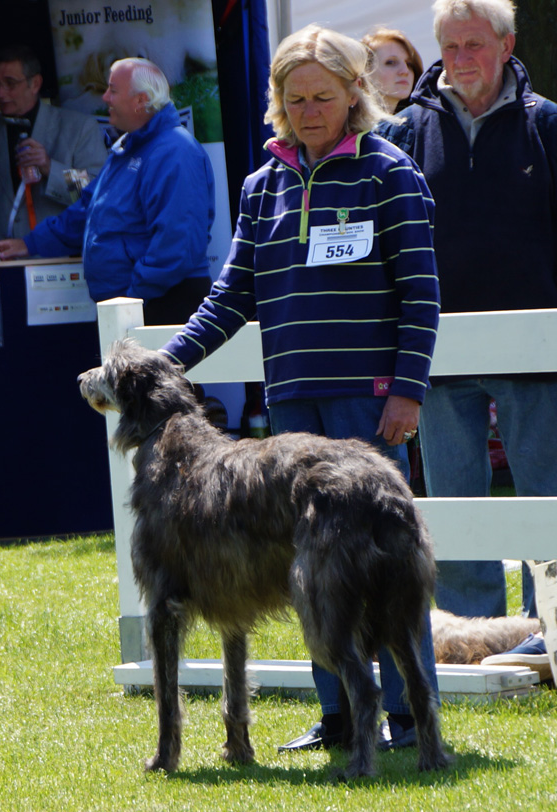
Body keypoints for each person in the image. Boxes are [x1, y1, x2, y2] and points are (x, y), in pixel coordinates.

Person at [158, 24, 441, 751]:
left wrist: (406, 390)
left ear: (355, 94)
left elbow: (420, 296)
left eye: (324, 95)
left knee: (385, 567)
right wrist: (171, 361)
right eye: (295, 97)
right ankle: (342, 717)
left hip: (370, 402)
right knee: (310, 572)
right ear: (278, 102)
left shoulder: (389, 173)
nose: (310, 109)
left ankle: (412, 718)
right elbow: (231, 296)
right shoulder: (263, 186)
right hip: (293, 408)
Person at [378, 0, 557, 619]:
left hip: (535, 348)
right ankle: (470, 633)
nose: (460, 60)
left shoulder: (548, 125)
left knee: (546, 500)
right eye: (449, 47)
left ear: (506, 46)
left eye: (474, 45)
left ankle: (547, 629)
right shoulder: (403, 133)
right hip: (438, 348)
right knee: (450, 503)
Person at [0, 58, 215, 325]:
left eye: (113, 90)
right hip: (133, 305)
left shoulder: (175, 151)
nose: (105, 97)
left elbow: (177, 246)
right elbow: (87, 211)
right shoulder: (128, 148)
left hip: (162, 305)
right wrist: (29, 244)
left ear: (140, 100)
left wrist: (132, 299)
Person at [0, 45, 107, 263]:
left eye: (10, 83)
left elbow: (98, 197)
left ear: (35, 83)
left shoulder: (79, 128)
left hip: (58, 264)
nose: (0, 93)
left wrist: (50, 168)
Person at [362, 27, 424, 113]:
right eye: (391, 62)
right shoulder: (345, 124)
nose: (405, 71)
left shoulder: (419, 122)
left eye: (409, 64)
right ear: (366, 71)